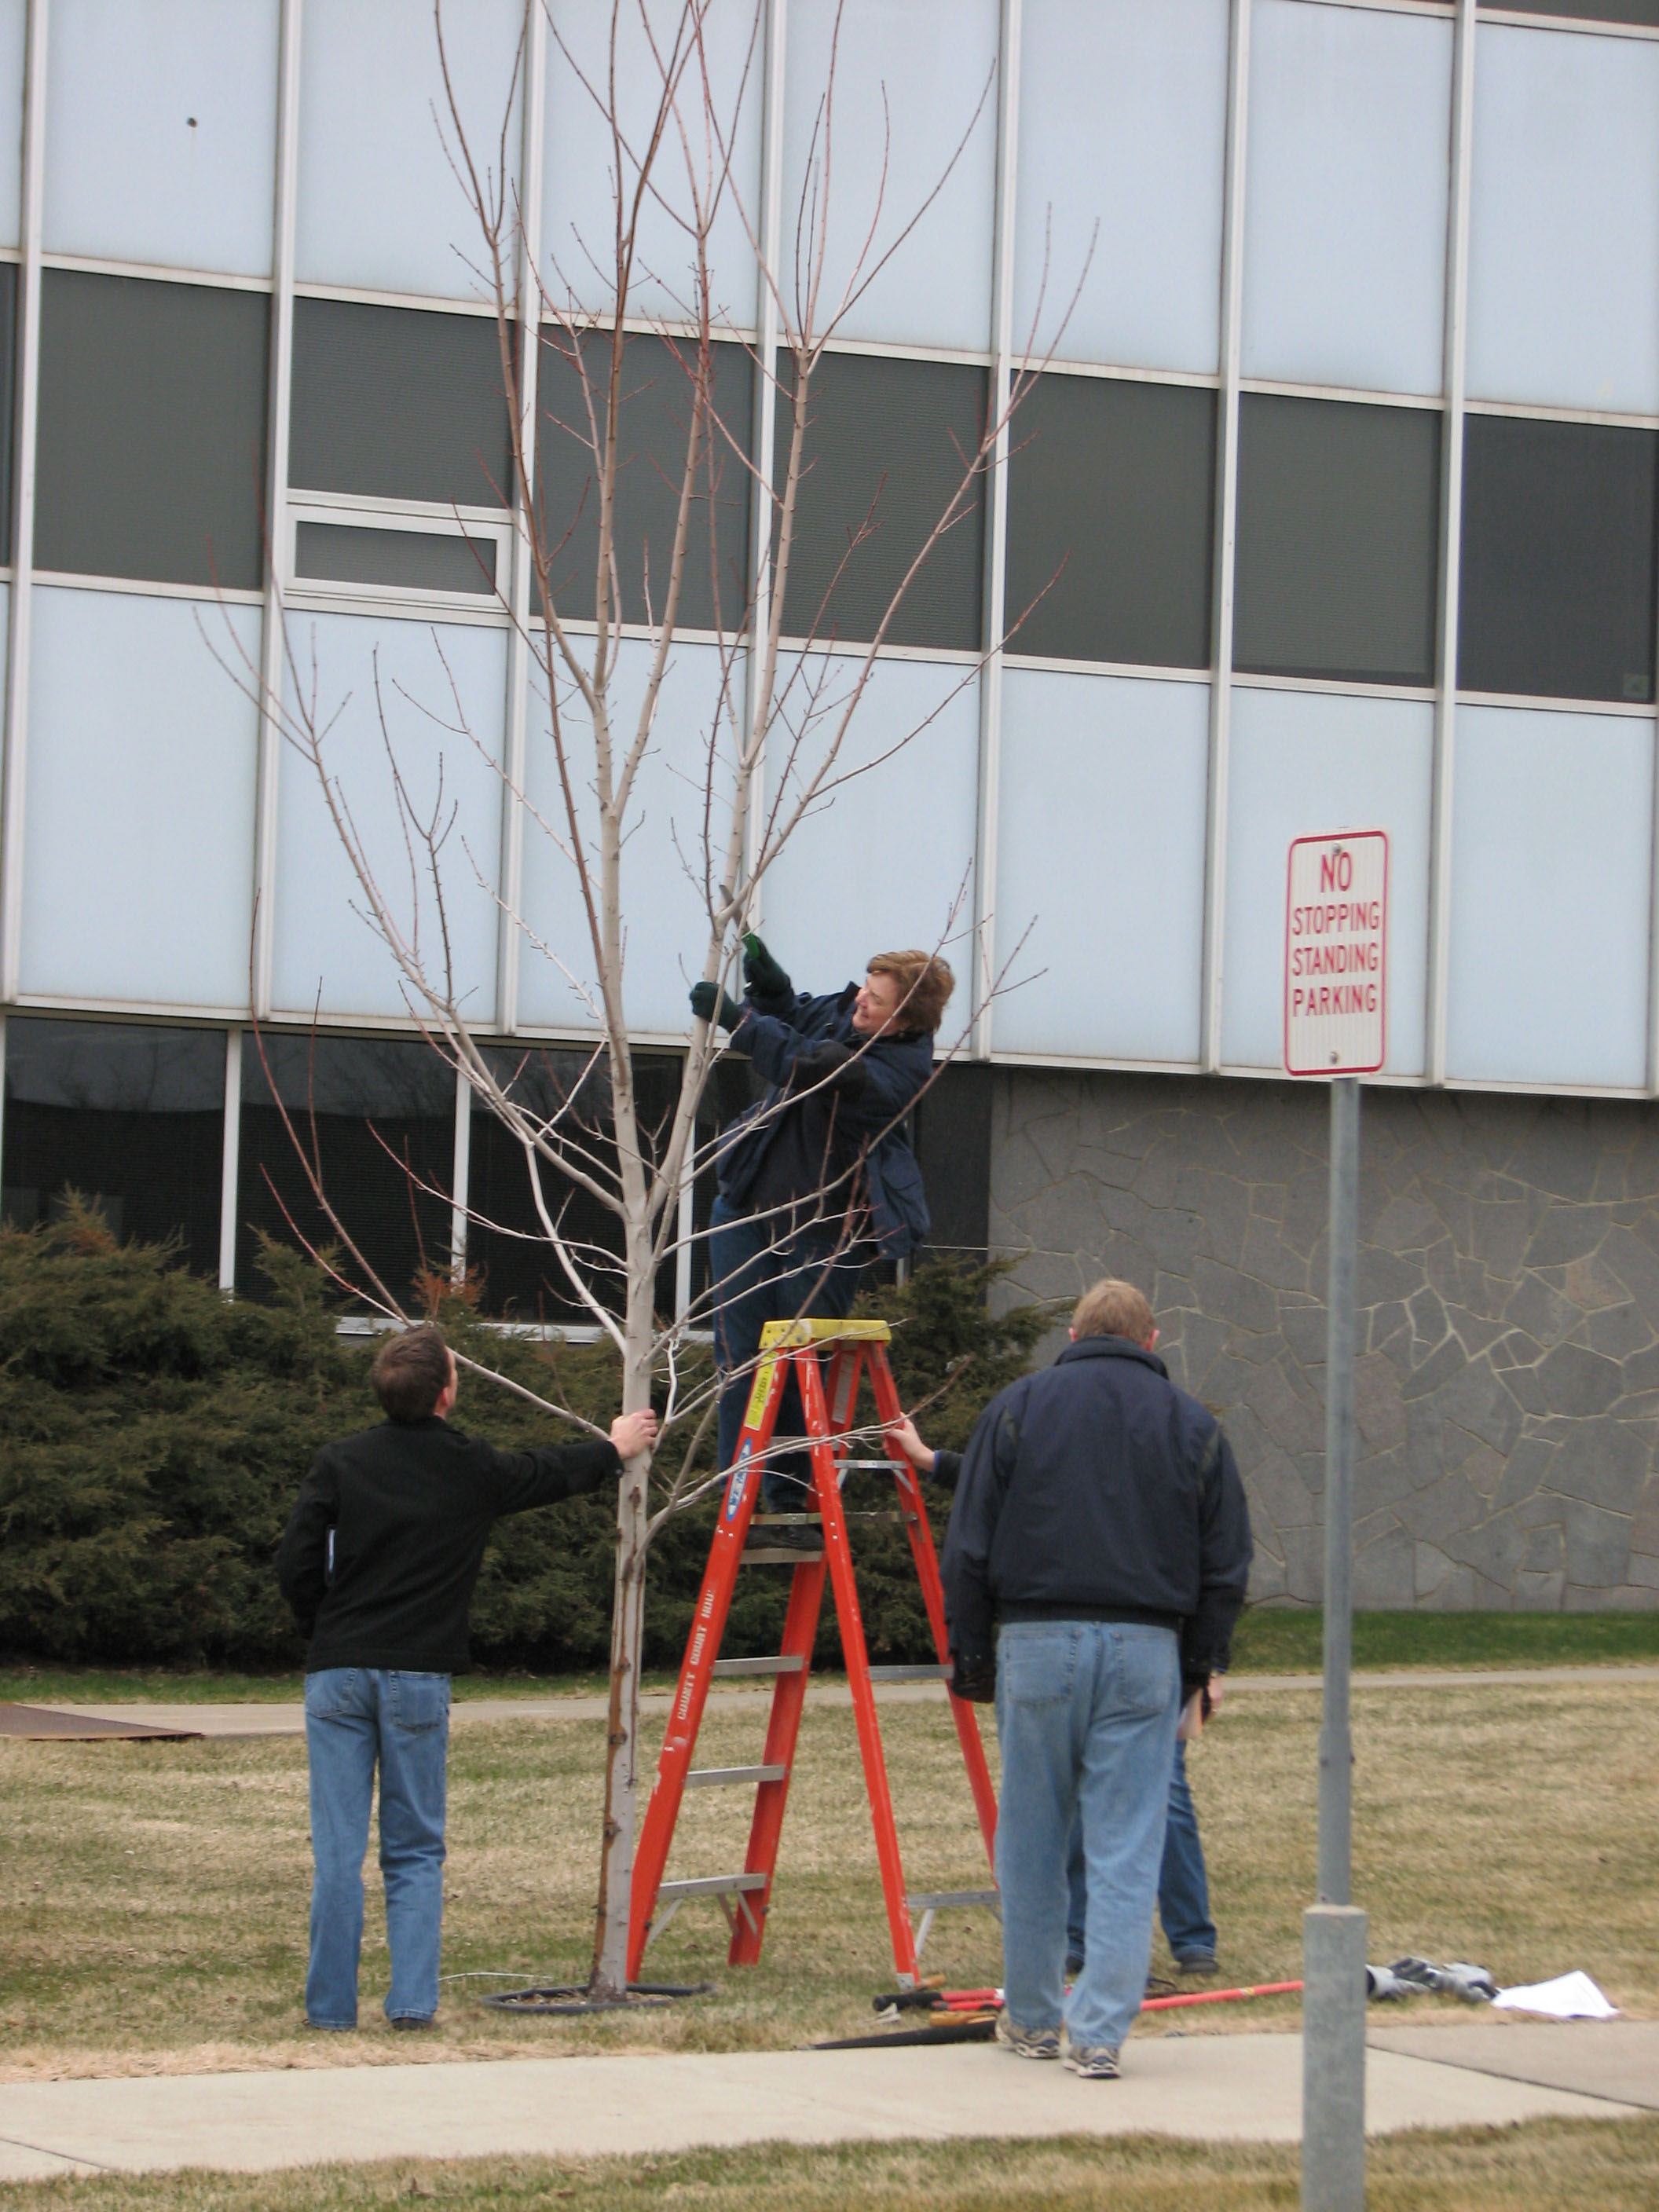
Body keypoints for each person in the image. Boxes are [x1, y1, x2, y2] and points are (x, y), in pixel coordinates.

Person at [276, 1323, 657, 2033]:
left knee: (337, 1850)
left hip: (337, 1671)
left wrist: (322, 1630)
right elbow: (542, 1472)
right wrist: (614, 1449)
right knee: (415, 1845)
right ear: (448, 1394)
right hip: (418, 1676)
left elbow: (295, 1564)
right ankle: (412, 2005)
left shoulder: (339, 1463)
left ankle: (329, 2010)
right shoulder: (468, 1467)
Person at [939, 1278, 1251, 2079]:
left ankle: (1035, 2016)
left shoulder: (1018, 1407)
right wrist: (1201, 1662)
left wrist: (970, 1655)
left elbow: (970, 1545)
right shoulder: (1194, 1423)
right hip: (1148, 1646)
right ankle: (1101, 2031)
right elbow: (1226, 1562)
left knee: (1033, 1835)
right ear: (1154, 1340)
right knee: (1126, 1839)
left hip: (1038, 1640)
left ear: (1072, 1333)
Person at [891, 1415, 1225, 1980]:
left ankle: (1191, 1939)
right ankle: (1079, 1940)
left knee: (1160, 1795)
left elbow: (1211, 1549)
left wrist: (1208, 1660)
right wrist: (931, 1460)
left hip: (1148, 1644)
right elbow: (1002, 1482)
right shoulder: (1060, 1438)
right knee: (1071, 1795)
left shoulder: (1167, 1447)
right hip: (1076, 1642)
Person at [691, 934, 951, 1533]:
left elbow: (809, 1063)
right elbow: (800, 1019)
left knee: (793, 1357)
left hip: (825, 1232)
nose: (861, 1001)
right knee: (739, 1357)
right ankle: (739, 1492)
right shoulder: (851, 1013)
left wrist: (738, 1021)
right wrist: (774, 989)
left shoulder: (898, 1071)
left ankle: (783, 1497)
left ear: (904, 1020)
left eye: (876, 1000)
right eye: (864, 988)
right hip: (747, 1210)